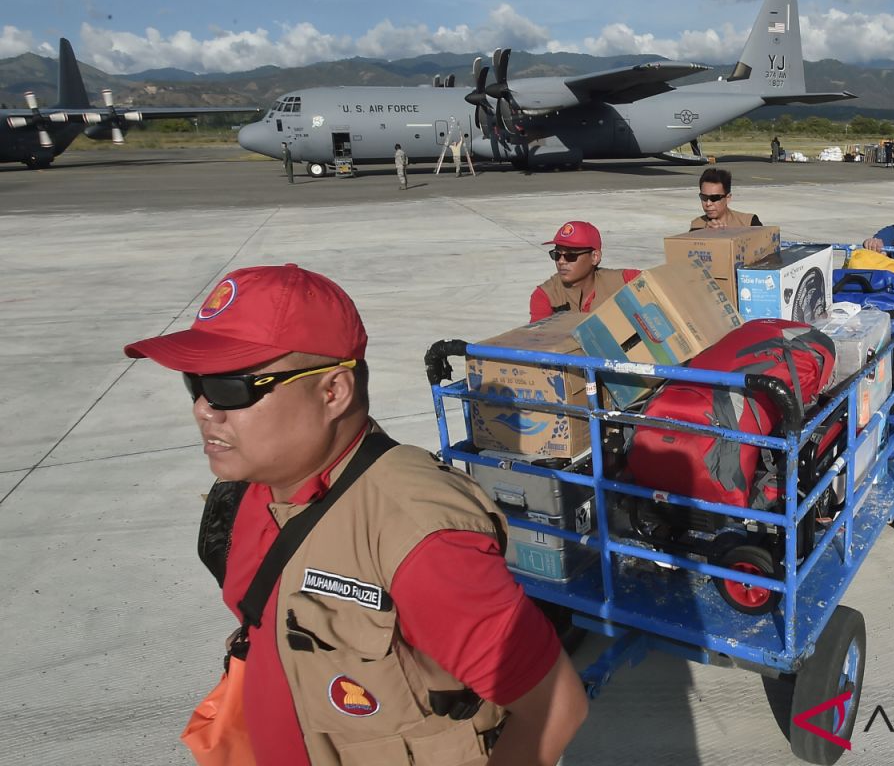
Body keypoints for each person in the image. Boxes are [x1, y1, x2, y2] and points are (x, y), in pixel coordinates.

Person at [124, 264, 587, 766]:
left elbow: (554, 707)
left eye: (231, 388)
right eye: (195, 383)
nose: (203, 410)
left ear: (333, 392)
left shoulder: (419, 533)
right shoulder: (248, 493)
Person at [530, 221, 639, 322]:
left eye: (570, 255)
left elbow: (654, 280)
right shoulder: (546, 295)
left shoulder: (624, 280)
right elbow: (537, 339)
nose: (561, 261)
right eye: (556, 254)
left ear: (595, 257)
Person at [690, 168, 762, 230]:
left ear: (728, 198)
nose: (708, 203)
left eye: (714, 198)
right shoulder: (696, 226)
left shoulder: (749, 223)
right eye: (704, 197)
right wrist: (703, 233)